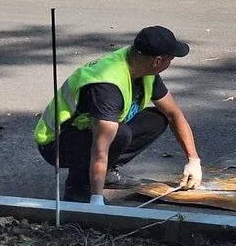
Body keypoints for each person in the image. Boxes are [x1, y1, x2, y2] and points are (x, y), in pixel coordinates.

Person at [34, 25, 202, 203]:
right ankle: (79, 189)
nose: (171, 62)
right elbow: (101, 147)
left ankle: (105, 172)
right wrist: (97, 199)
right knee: (119, 134)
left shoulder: (142, 66)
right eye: (171, 59)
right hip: (56, 143)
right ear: (157, 61)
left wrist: (193, 160)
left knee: (156, 119)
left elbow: (173, 114)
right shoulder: (107, 86)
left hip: (90, 131)